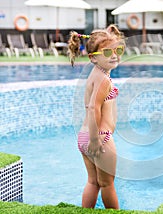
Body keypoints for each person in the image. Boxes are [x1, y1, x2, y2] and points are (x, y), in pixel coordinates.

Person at [68, 24, 125, 209]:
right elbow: (93, 108)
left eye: (118, 50)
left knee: (93, 182)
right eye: (108, 53)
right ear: (93, 58)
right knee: (107, 184)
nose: (115, 55)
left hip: (84, 136)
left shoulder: (96, 74)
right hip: (99, 138)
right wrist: (95, 141)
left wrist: (106, 35)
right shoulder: (103, 79)